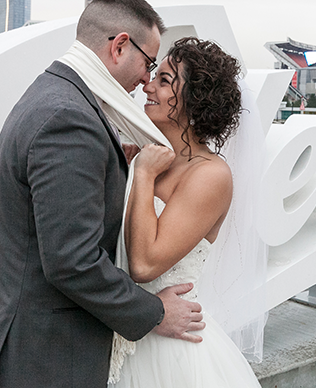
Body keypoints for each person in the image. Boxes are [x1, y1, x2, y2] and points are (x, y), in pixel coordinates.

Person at [0, 0, 204, 388]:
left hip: (26, 342)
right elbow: (72, 260)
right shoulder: (69, 119)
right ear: (120, 46)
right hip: (42, 359)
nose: (146, 79)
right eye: (148, 64)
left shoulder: (55, 94)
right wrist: (155, 312)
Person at [108, 37, 263, 387]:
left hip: (170, 352)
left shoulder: (210, 175)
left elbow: (145, 264)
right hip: (125, 332)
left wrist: (144, 175)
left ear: (193, 101)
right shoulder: (145, 154)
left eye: (164, 81)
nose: (147, 85)